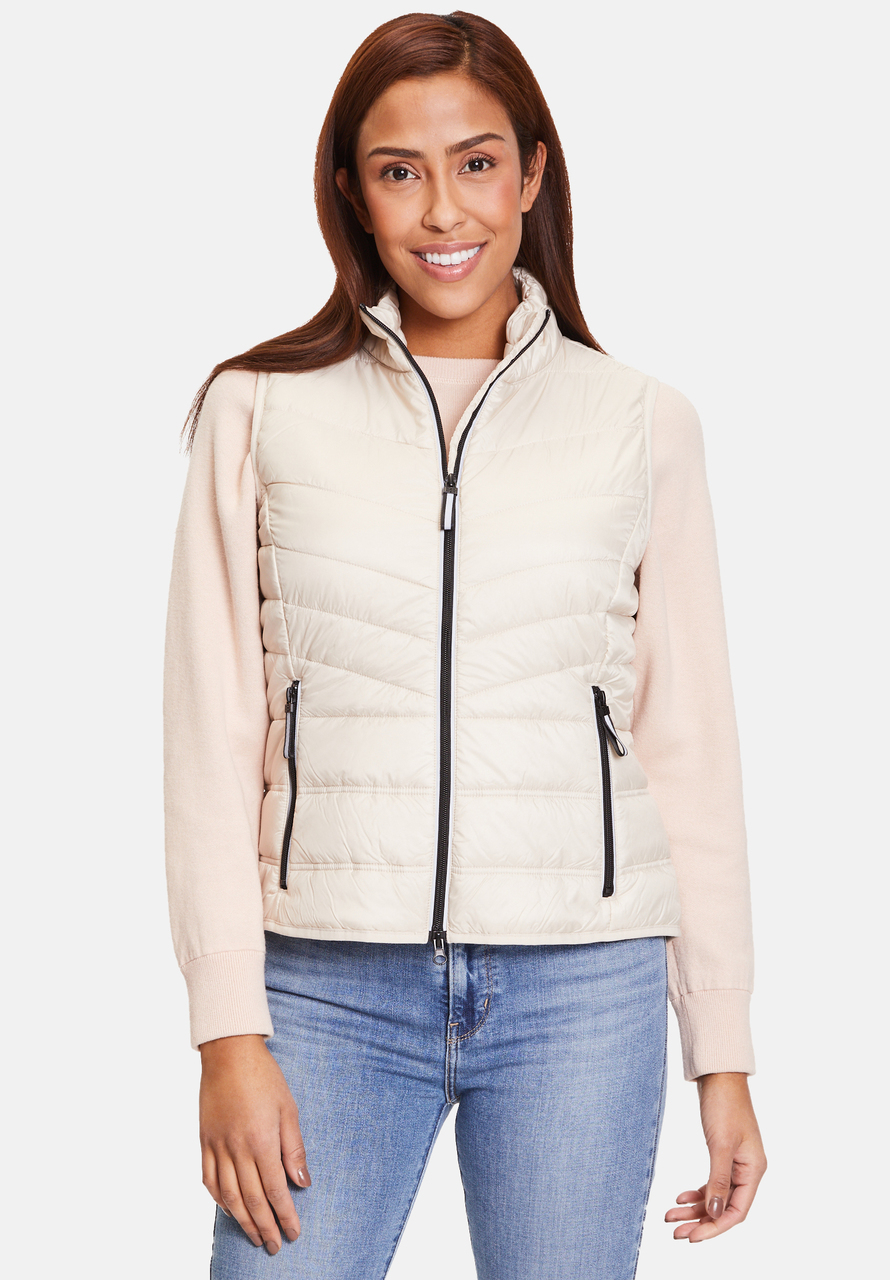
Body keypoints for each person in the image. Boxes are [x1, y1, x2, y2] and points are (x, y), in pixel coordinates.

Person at [163, 11, 767, 1278]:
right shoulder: (256, 409)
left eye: (477, 163)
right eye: (400, 170)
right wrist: (226, 1030)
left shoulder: (639, 421)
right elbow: (211, 738)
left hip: (581, 990)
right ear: (350, 191)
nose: (443, 210)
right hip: (322, 985)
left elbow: (685, 748)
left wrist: (719, 1050)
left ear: (532, 174)